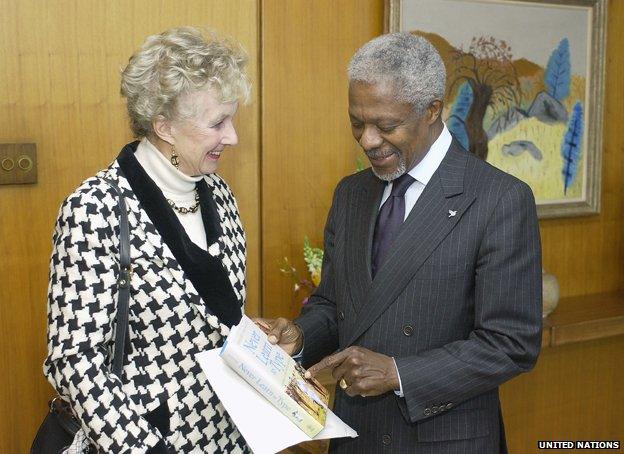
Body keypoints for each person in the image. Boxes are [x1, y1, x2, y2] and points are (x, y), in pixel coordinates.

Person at [259, 33, 542, 453]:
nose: (368, 140)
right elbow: (335, 305)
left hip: (444, 440)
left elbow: (511, 343)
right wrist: (298, 336)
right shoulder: (351, 194)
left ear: (432, 110)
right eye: (357, 121)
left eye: (386, 126)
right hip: (356, 436)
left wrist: (399, 373)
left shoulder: (499, 199)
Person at [44, 27, 251, 453]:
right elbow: (74, 362)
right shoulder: (95, 208)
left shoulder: (220, 195)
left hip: (227, 438)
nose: (232, 137)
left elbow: (214, 323)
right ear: (165, 127)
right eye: (218, 123)